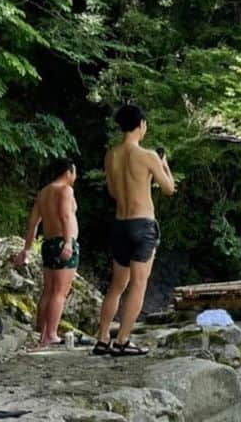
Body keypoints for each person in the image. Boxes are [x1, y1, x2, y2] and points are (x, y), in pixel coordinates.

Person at [94, 104, 176, 356]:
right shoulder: (148, 155)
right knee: (138, 284)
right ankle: (123, 340)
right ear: (141, 125)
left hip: (120, 224)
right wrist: (164, 165)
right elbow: (169, 188)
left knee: (117, 285)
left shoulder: (111, 155)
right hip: (143, 225)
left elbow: (112, 191)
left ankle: (102, 338)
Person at [13, 158, 80, 347]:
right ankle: (51, 334)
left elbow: (33, 223)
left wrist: (27, 249)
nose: (75, 177)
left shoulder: (43, 193)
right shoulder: (65, 190)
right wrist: (68, 243)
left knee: (48, 290)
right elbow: (66, 216)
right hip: (62, 242)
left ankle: (41, 333)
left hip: (49, 243)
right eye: (74, 173)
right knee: (60, 292)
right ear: (68, 172)